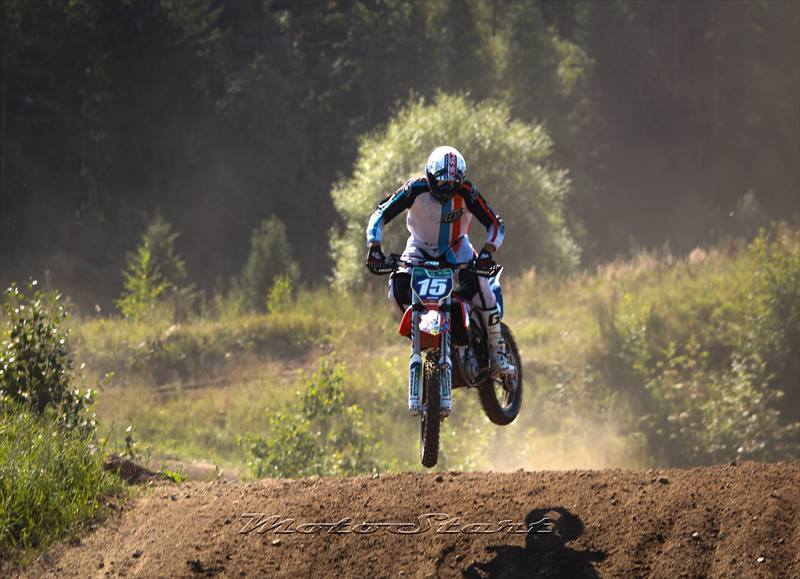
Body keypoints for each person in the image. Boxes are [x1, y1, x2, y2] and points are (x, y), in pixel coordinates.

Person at [364, 145, 515, 377]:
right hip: (419, 248)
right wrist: (374, 246)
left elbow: (495, 223)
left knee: (482, 285)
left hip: (457, 247)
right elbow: (380, 213)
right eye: (442, 182)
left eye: (453, 183)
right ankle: (422, 331)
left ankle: (497, 351)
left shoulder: (467, 192)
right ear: (429, 175)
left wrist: (487, 251)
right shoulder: (414, 189)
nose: (447, 188)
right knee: (396, 287)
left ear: (461, 180)